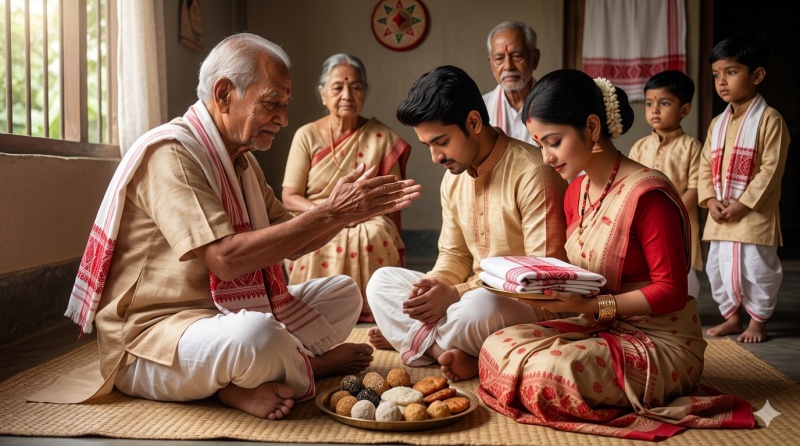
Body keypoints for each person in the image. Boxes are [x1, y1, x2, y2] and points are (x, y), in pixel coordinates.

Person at [28, 33, 421, 420]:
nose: (283, 118)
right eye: (271, 103)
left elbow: (295, 241)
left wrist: (346, 215)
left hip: (221, 315)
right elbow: (226, 261)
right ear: (223, 94)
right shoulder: (173, 154)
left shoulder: (241, 161)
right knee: (258, 337)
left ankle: (253, 374)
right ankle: (307, 368)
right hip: (155, 335)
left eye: (284, 104)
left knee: (344, 294)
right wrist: (331, 213)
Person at [478, 69, 755, 440]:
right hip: (601, 328)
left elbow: (671, 291)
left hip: (660, 339)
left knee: (554, 372)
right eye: (539, 144)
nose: (545, 158)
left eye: (554, 142)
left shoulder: (648, 194)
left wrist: (593, 307)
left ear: (592, 127)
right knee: (496, 345)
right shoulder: (576, 191)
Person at [366, 65, 568, 382]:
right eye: (427, 145)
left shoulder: (532, 172)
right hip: (467, 299)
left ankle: (415, 342)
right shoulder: (453, 180)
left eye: (441, 141)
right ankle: (441, 348)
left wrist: (455, 294)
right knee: (381, 282)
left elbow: (541, 274)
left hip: (525, 304)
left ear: (473, 122)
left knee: (480, 306)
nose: (435, 157)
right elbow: (454, 256)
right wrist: (431, 288)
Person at [282, 54, 412, 323]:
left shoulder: (382, 137)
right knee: (311, 236)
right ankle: (311, 312)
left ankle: (376, 310)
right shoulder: (306, 135)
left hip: (368, 215)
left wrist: (359, 212)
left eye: (355, 87)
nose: (346, 95)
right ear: (322, 93)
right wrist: (330, 211)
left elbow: (391, 196)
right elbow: (290, 196)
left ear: (365, 92)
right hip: (319, 212)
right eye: (337, 87)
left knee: (377, 233)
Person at [699, 33, 789, 343]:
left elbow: (771, 170)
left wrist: (743, 204)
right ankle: (733, 317)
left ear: (757, 75)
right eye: (716, 74)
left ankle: (758, 322)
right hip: (720, 214)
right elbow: (704, 167)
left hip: (752, 217)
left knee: (755, 269)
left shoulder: (769, 120)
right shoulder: (717, 124)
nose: (721, 81)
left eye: (731, 71)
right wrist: (710, 199)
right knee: (719, 269)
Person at [629, 70, 703, 298]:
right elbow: (630, 184)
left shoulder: (692, 147)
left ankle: (683, 313)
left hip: (680, 222)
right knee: (647, 267)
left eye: (664, 103)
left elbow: (697, 186)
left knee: (681, 269)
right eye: (649, 103)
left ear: (685, 110)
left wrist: (673, 210)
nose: (655, 110)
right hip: (643, 222)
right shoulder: (639, 147)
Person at [482, 21, 540, 145]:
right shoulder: (481, 109)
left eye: (517, 56)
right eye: (499, 58)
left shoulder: (555, 105)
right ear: (491, 64)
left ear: (534, 59)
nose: (508, 66)